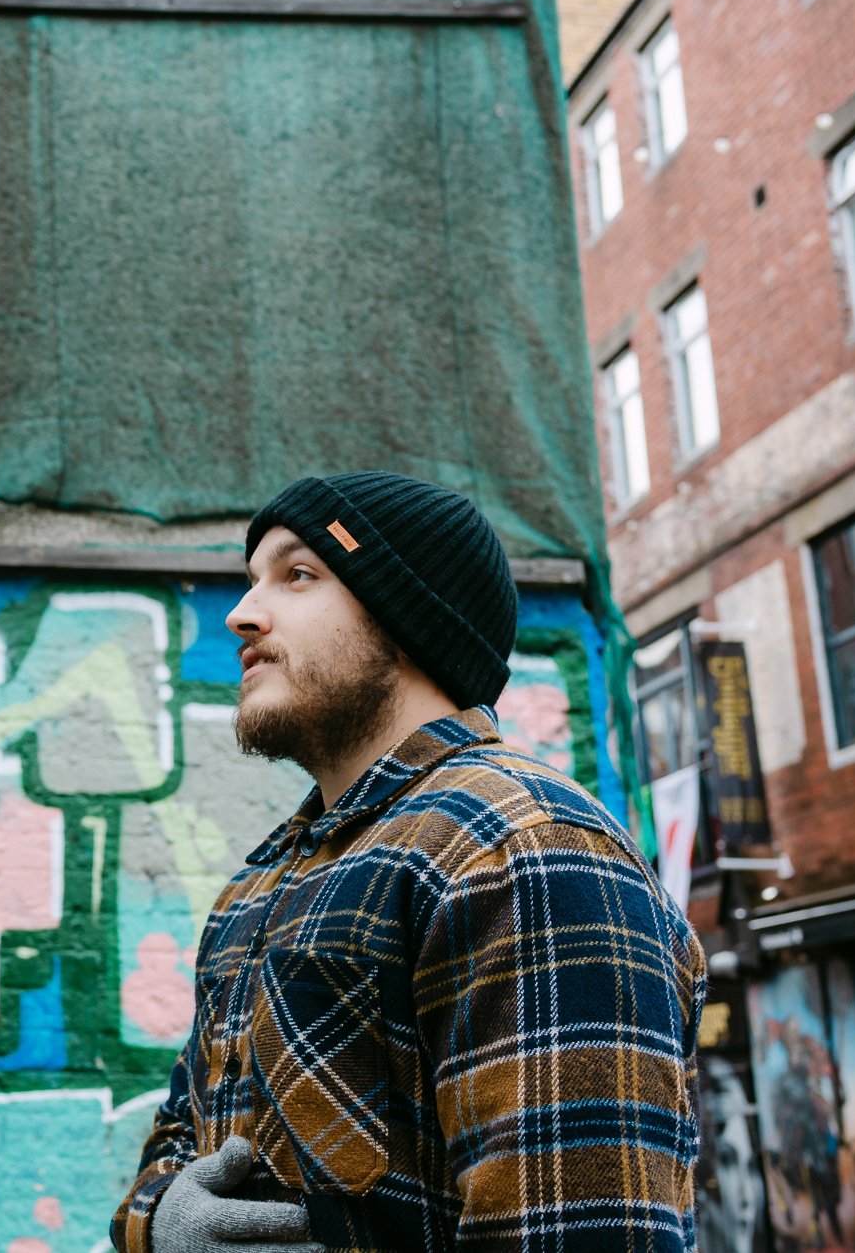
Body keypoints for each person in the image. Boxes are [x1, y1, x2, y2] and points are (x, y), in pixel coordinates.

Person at [113, 472, 705, 1253]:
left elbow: (585, 1234)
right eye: (253, 579)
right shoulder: (257, 886)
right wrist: (162, 1219)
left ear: (406, 616)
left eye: (298, 574)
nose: (242, 613)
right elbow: (174, 1138)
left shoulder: (521, 848)